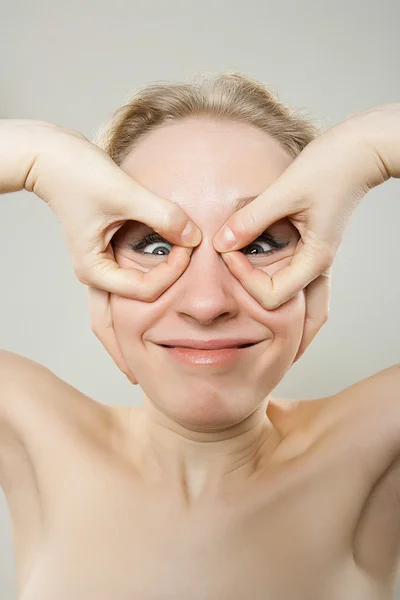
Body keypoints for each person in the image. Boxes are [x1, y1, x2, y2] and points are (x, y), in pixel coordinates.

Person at [0, 72, 399, 600]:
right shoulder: (29, 432)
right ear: (95, 264)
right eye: (153, 244)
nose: (206, 303)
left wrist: (368, 150)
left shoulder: (378, 443)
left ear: (315, 272)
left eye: (260, 243)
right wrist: (37, 159)